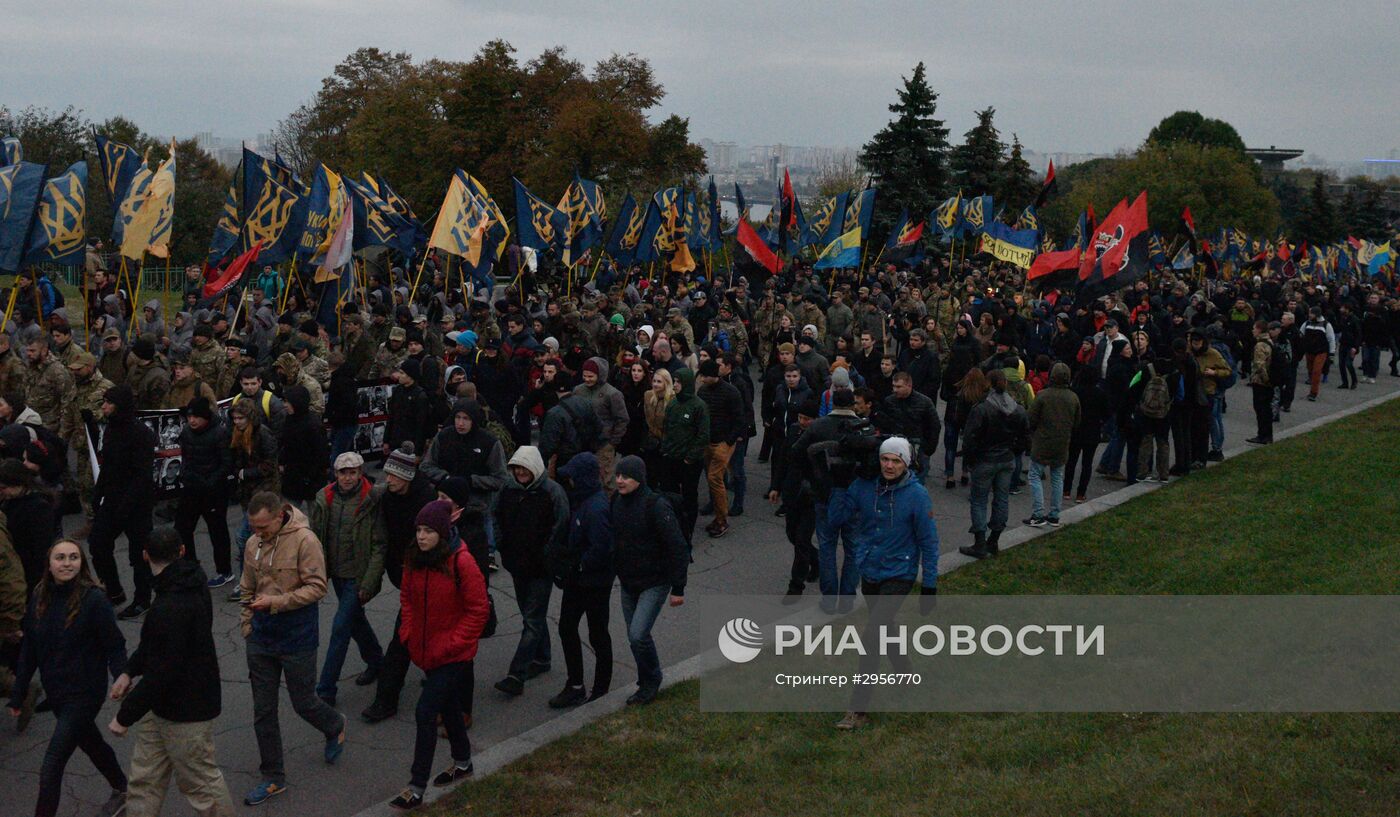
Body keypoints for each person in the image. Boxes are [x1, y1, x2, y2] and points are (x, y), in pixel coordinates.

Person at [107, 527, 234, 817]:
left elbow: (162, 670)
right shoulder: (189, 582)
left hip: (186, 711)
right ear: (182, 551)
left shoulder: (170, 605)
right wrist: (129, 671)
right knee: (144, 779)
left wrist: (125, 716)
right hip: (166, 705)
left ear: (144, 555)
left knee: (201, 785)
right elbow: (156, 647)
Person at [238, 491, 345, 806]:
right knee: (263, 711)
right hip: (260, 638)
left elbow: (317, 587)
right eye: (253, 528)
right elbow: (246, 586)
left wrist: (276, 602)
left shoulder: (305, 541)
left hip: (296, 636)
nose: (257, 534)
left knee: (303, 702)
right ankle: (273, 777)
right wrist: (247, 625)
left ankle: (334, 724)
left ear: (279, 515)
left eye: (263, 528)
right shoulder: (251, 544)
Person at [8, 540, 129, 817]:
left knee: (51, 764)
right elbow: (30, 650)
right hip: (58, 692)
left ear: (82, 563)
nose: (67, 563)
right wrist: (18, 693)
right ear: (49, 564)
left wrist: (121, 674)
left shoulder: (94, 600)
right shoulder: (39, 596)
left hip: (85, 693)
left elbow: (114, 644)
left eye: (73, 557)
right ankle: (123, 789)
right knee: (91, 742)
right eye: (60, 558)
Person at [828, 437, 939, 730]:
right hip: (871, 571)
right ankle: (905, 673)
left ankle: (858, 709)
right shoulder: (865, 486)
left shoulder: (917, 495)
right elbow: (837, 519)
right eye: (885, 459)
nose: (889, 466)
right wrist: (840, 484)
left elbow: (929, 542)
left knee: (872, 637)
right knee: (885, 628)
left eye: (896, 460)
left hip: (899, 572)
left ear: (906, 463)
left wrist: (929, 585)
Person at [387, 500, 488, 811]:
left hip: (454, 654)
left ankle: (417, 786)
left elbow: (478, 610)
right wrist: (407, 633)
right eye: (418, 530)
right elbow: (406, 598)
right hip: (425, 650)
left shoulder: (462, 562)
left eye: (428, 531)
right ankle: (463, 761)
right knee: (449, 706)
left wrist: (453, 643)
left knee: (425, 711)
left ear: (443, 533)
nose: (421, 536)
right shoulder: (415, 559)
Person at [361, 445, 438, 724]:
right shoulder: (387, 496)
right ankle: (434, 677)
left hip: (424, 578)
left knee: (401, 639)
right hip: (404, 576)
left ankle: (386, 699)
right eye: (387, 474)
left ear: (406, 476)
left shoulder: (426, 498)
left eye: (393, 475)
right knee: (423, 632)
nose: (388, 479)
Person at [309, 452, 386, 707]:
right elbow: (315, 537)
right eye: (343, 472)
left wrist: (369, 582)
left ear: (361, 473)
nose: (348, 477)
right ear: (336, 473)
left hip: (358, 575)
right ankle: (377, 662)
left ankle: (325, 690)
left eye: (353, 472)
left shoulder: (371, 498)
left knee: (340, 627)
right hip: (337, 574)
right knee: (354, 622)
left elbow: (378, 545)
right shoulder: (325, 498)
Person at [609, 456, 688, 705]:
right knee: (636, 638)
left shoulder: (656, 505)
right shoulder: (616, 501)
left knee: (637, 635)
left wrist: (678, 588)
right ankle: (645, 680)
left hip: (655, 581)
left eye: (626, 476)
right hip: (629, 581)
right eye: (618, 475)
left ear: (639, 479)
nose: (619, 480)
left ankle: (652, 680)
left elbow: (677, 547)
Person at [493, 446, 569, 697]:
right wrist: (502, 543)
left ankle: (517, 674)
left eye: (525, 468)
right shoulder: (508, 489)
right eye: (517, 468)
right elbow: (495, 516)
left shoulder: (552, 492)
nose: (520, 473)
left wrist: (547, 554)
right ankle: (542, 659)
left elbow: (561, 527)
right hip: (516, 564)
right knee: (530, 614)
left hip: (540, 568)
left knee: (533, 619)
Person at [547, 452, 614, 707]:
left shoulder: (595, 508)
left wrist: (577, 564)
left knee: (597, 635)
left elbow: (601, 549)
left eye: (573, 477)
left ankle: (600, 690)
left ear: (583, 478)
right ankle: (575, 685)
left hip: (594, 583)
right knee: (567, 627)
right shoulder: (583, 501)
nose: (569, 481)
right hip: (579, 579)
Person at [90, 384, 157, 620]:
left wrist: (125, 507)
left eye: (108, 402)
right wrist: (97, 495)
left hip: (136, 504)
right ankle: (114, 590)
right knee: (97, 544)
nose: (104, 407)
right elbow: (107, 466)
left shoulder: (140, 434)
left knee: (139, 554)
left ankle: (142, 599)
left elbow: (142, 476)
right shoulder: (110, 429)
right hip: (113, 499)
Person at [959, 369, 1030, 559]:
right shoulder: (1018, 409)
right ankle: (994, 541)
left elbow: (970, 438)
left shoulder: (981, 408)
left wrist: (970, 460)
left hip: (985, 459)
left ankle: (980, 543)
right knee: (1001, 499)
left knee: (979, 500)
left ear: (988, 383)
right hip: (1006, 459)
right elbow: (1025, 436)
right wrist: (1013, 452)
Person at [173, 396, 236, 587]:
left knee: (217, 531)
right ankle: (190, 566)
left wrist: (211, 482)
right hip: (191, 489)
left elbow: (227, 463)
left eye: (196, 417)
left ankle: (224, 571)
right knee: (182, 528)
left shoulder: (219, 433)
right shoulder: (186, 432)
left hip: (213, 492)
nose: (192, 420)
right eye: (190, 417)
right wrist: (184, 475)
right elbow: (185, 457)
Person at [767, 396, 819, 600]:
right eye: (800, 417)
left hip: (812, 496)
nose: (803, 422)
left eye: (807, 419)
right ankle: (816, 560)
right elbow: (783, 460)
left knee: (801, 540)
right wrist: (776, 487)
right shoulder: (794, 432)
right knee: (792, 535)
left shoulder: (819, 435)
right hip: (792, 493)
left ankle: (796, 586)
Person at [1023, 363, 1080, 527]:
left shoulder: (1042, 395)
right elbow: (1077, 422)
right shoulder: (1073, 397)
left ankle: (1038, 513)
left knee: (1034, 475)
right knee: (1057, 478)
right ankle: (1054, 514)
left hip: (1042, 441)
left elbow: (1031, 419)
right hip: (1062, 442)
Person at [656, 368, 709, 543]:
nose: (676, 385)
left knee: (689, 498)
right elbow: (666, 429)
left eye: (679, 382)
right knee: (670, 496)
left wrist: (690, 458)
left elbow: (703, 436)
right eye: (674, 381)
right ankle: (673, 528)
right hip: (670, 458)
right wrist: (665, 450)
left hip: (689, 463)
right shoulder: (673, 404)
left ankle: (688, 531)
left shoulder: (698, 406)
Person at [696, 359, 743, 538]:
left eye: (704, 376)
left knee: (714, 478)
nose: (701, 379)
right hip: (708, 441)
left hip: (723, 442)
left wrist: (728, 442)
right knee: (713, 479)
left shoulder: (731, 392)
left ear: (712, 376)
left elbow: (740, 419)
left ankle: (722, 520)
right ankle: (718, 517)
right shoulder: (703, 391)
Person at [278, 385, 330, 507]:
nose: (285, 405)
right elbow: (286, 444)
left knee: (316, 518)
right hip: (293, 477)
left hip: (311, 479)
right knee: (292, 516)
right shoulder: (289, 420)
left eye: (287, 402)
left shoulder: (313, 425)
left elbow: (321, 454)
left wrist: (312, 475)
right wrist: (282, 462)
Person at [1247, 320, 1275, 445]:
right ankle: (1268, 435)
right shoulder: (1270, 341)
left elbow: (1260, 364)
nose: (1253, 330)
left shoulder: (1259, 345)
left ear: (1259, 329)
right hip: (1269, 381)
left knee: (1261, 409)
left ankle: (1262, 435)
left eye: (1254, 328)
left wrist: (1265, 379)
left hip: (1261, 382)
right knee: (1267, 409)